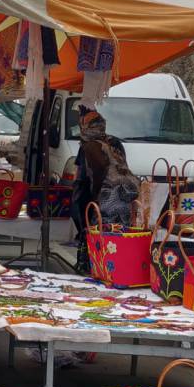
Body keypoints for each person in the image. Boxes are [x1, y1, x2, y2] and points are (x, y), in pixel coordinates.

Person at [71, 107, 139, 274]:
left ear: (85, 127)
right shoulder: (115, 142)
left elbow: (83, 181)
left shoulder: (88, 147)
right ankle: (117, 271)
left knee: (99, 237)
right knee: (118, 238)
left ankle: (97, 271)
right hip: (124, 199)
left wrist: (80, 215)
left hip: (105, 200)